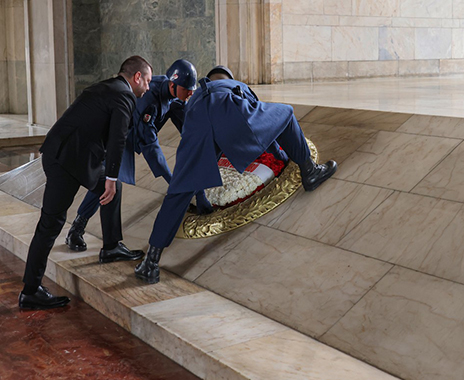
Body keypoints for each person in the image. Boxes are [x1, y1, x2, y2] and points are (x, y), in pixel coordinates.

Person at [133, 67, 337, 284]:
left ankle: (151, 262)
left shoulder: (194, 98)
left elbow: (197, 155)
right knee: (284, 113)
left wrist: (198, 193)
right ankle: (310, 172)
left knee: (178, 192)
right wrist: (281, 155)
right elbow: (266, 131)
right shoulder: (236, 86)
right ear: (228, 77)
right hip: (227, 109)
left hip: (197, 121)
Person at [18, 56, 152, 310]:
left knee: (113, 187)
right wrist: (110, 177)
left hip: (71, 155)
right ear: (136, 77)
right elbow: (117, 141)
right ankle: (31, 290)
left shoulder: (109, 87)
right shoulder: (124, 96)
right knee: (50, 224)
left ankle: (111, 246)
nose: (147, 88)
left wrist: (111, 180)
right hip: (67, 161)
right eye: (146, 81)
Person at [64, 59, 214, 252]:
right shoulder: (149, 100)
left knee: (109, 185)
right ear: (172, 84)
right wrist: (175, 184)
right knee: (104, 184)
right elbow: (150, 146)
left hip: (129, 134)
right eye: (187, 89)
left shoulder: (177, 95)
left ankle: (102, 242)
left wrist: (199, 191)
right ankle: (77, 229)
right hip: (111, 137)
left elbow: (189, 133)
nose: (191, 93)